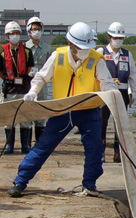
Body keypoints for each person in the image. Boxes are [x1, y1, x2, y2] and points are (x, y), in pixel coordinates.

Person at [7, 22, 118, 197]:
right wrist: (33, 92)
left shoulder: (97, 59)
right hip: (62, 110)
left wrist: (112, 93)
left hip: (89, 111)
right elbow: (41, 77)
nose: (84, 51)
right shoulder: (57, 56)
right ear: (71, 45)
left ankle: (89, 184)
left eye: (87, 47)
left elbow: (106, 83)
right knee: (43, 146)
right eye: (81, 47)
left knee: (95, 148)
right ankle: (20, 181)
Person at [97, 22, 136, 163]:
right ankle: (100, 152)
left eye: (120, 37)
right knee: (101, 123)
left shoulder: (127, 54)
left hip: (122, 94)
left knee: (119, 124)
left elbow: (133, 76)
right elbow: (95, 75)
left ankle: (118, 153)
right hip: (105, 94)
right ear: (109, 37)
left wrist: (133, 94)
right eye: (115, 37)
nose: (118, 40)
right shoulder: (101, 53)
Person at [1, 21, 35, 154]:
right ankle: (10, 146)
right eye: (11, 34)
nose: (14, 36)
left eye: (16, 33)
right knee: (9, 119)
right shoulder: (2, 52)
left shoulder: (27, 52)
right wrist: (8, 80)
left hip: (24, 89)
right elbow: (0, 71)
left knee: (25, 118)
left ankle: (25, 146)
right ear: (7, 36)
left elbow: (29, 68)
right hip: (9, 90)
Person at [25, 17, 53, 145]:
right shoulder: (24, 47)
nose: (36, 31)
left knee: (40, 114)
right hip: (27, 83)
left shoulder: (47, 48)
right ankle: (26, 144)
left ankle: (39, 143)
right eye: (34, 29)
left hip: (42, 85)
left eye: (39, 29)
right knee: (27, 113)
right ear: (29, 31)